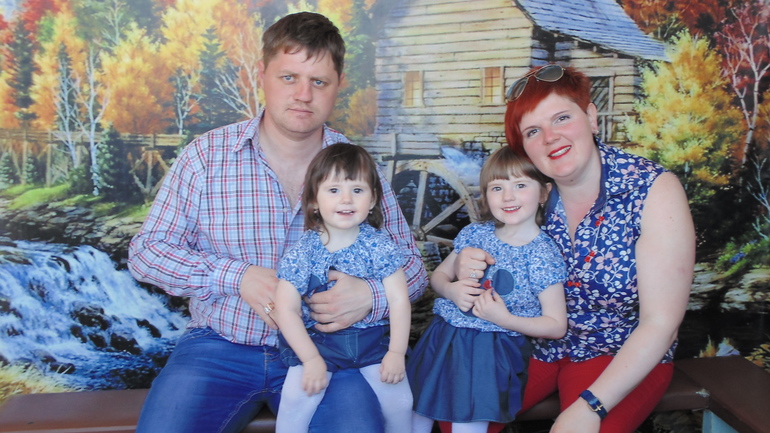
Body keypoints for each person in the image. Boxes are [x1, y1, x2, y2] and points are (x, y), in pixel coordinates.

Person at [127, 12, 427, 433]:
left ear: (338, 85)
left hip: (335, 351)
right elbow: (146, 254)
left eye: (319, 82)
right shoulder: (206, 156)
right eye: (289, 77)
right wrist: (237, 277)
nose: (303, 95)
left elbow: (413, 268)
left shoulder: (358, 168)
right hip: (220, 346)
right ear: (263, 74)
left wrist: (370, 296)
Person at [450, 64, 695, 433]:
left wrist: (590, 407)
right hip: (531, 344)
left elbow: (661, 323)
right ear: (525, 148)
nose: (550, 138)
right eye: (533, 131)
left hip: (617, 352)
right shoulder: (524, 194)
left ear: (591, 118)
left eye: (561, 118)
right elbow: (491, 254)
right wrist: (467, 265)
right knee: (456, 416)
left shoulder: (651, 190)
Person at [408, 146, 568, 433]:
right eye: (497, 188)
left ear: (544, 193)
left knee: (467, 420)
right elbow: (439, 276)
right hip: (443, 338)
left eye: (520, 185)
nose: (508, 196)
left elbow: (556, 325)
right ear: (486, 196)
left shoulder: (543, 254)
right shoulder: (476, 233)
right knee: (417, 411)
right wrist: (451, 290)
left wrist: (504, 319)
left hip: (490, 352)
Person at [272, 142, 413, 433]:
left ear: (373, 200)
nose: (346, 199)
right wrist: (310, 358)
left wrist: (396, 353)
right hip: (318, 343)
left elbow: (399, 300)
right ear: (314, 200)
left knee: (400, 402)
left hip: (372, 342)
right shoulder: (304, 252)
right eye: (334, 190)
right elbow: (285, 309)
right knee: (295, 399)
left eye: (357, 190)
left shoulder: (380, 246)